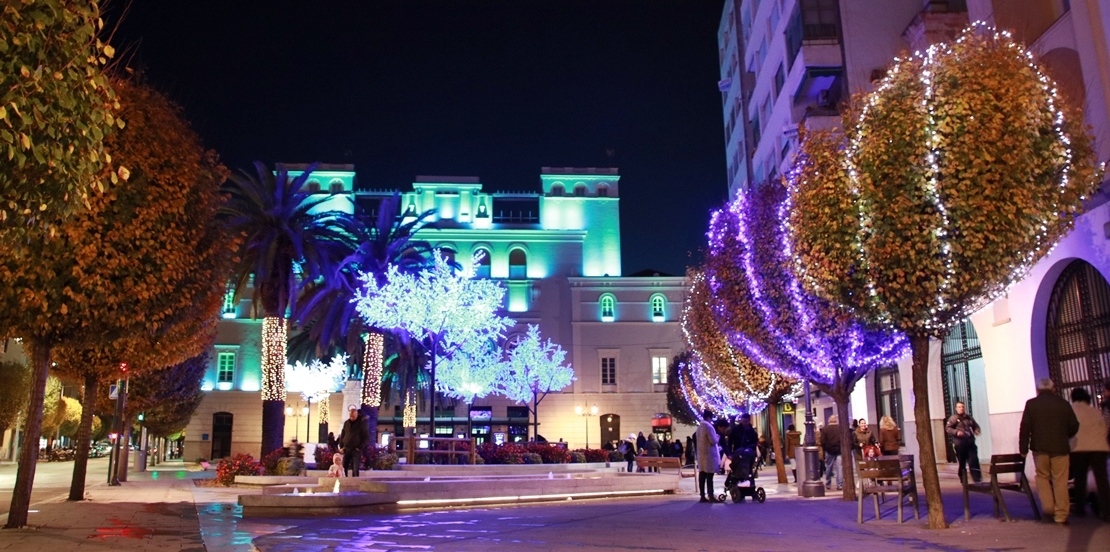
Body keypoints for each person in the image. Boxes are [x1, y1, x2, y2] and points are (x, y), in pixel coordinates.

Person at [1019, 378, 1080, 525]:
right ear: (1053, 389)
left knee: (1042, 477)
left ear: (1038, 390)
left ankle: (1048, 509)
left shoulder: (1031, 404)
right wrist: (1064, 435)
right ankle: (1061, 515)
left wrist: (1023, 449)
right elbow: (1074, 426)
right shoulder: (1063, 404)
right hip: (1060, 448)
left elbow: (1025, 427)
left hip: (1040, 449)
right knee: (1060, 480)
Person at [1069, 387, 1110, 520]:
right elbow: (1105, 428)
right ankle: (1107, 511)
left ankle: (1080, 508)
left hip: (1079, 448)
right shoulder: (1095, 411)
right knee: (1102, 480)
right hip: (1099, 448)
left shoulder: (1071, 410)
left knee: (1080, 479)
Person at [945, 401, 981, 482]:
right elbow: (948, 428)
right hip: (960, 444)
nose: (961, 408)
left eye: (962, 407)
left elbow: (976, 426)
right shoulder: (953, 418)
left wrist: (977, 430)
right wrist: (957, 432)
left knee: (974, 460)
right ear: (956, 408)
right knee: (962, 463)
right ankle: (963, 479)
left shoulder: (969, 418)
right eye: (959, 407)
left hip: (970, 443)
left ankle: (977, 479)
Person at [696, 410, 721, 503]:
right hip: (709, 454)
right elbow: (713, 441)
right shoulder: (708, 426)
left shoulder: (699, 427)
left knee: (702, 475)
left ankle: (702, 495)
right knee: (710, 476)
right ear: (709, 417)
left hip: (701, 454)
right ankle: (711, 495)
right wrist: (717, 437)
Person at [338, 405, 369, 477]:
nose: (351, 418)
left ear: (357, 415)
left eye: (353, 416)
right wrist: (341, 446)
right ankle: (344, 482)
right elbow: (342, 435)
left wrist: (359, 447)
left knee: (355, 469)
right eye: (350, 416)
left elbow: (366, 437)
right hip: (346, 448)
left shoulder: (362, 424)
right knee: (344, 467)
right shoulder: (346, 423)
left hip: (356, 449)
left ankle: (355, 483)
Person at [820, 415, 843, 490]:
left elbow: (822, 441)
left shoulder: (825, 429)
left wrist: (826, 448)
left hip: (829, 450)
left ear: (829, 420)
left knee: (829, 467)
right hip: (839, 450)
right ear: (836, 420)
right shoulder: (840, 428)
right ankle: (839, 484)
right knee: (840, 467)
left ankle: (828, 483)